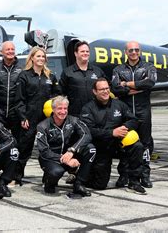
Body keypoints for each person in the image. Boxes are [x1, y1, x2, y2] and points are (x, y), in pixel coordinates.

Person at [81, 78, 146, 194]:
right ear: (95, 92)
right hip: (101, 146)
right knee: (100, 185)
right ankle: (80, 173)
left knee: (137, 146)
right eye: (101, 89)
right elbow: (88, 130)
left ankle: (134, 182)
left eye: (107, 88)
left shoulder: (119, 105)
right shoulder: (88, 108)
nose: (105, 91)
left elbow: (134, 120)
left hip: (118, 144)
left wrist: (124, 127)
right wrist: (111, 133)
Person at [111, 41, 157, 188]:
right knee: (124, 144)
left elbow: (149, 83)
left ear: (140, 51)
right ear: (126, 52)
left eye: (136, 50)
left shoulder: (148, 67)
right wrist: (137, 85)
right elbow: (116, 89)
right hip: (126, 113)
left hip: (143, 111)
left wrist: (127, 84)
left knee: (145, 144)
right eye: (131, 50)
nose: (134, 52)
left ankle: (144, 175)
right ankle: (124, 175)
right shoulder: (118, 70)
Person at [15, 46, 60, 183]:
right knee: (24, 148)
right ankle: (16, 177)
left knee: (48, 148)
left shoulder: (50, 76)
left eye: (43, 56)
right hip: (29, 117)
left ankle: (49, 177)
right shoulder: (24, 75)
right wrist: (23, 117)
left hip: (46, 119)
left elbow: (57, 95)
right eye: (38, 56)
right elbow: (19, 99)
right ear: (32, 58)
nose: (41, 59)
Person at [35, 96, 96, 197]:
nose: (63, 111)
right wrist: (64, 159)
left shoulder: (73, 120)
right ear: (53, 109)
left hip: (69, 154)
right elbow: (44, 151)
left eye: (65, 108)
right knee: (56, 173)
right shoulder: (42, 126)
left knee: (91, 148)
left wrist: (72, 150)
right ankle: (48, 181)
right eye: (59, 108)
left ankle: (79, 184)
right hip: (51, 159)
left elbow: (86, 134)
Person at [59, 40, 106, 117]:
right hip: (76, 115)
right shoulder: (67, 72)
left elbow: (108, 88)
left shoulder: (98, 71)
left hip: (96, 114)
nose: (85, 53)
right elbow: (60, 93)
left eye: (87, 51)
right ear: (76, 53)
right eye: (82, 51)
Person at [0, 41, 23, 140]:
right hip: (0, 113)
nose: (10, 51)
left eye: (12, 49)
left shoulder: (22, 69)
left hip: (16, 112)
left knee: (17, 140)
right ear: (1, 52)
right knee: (1, 140)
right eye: (8, 49)